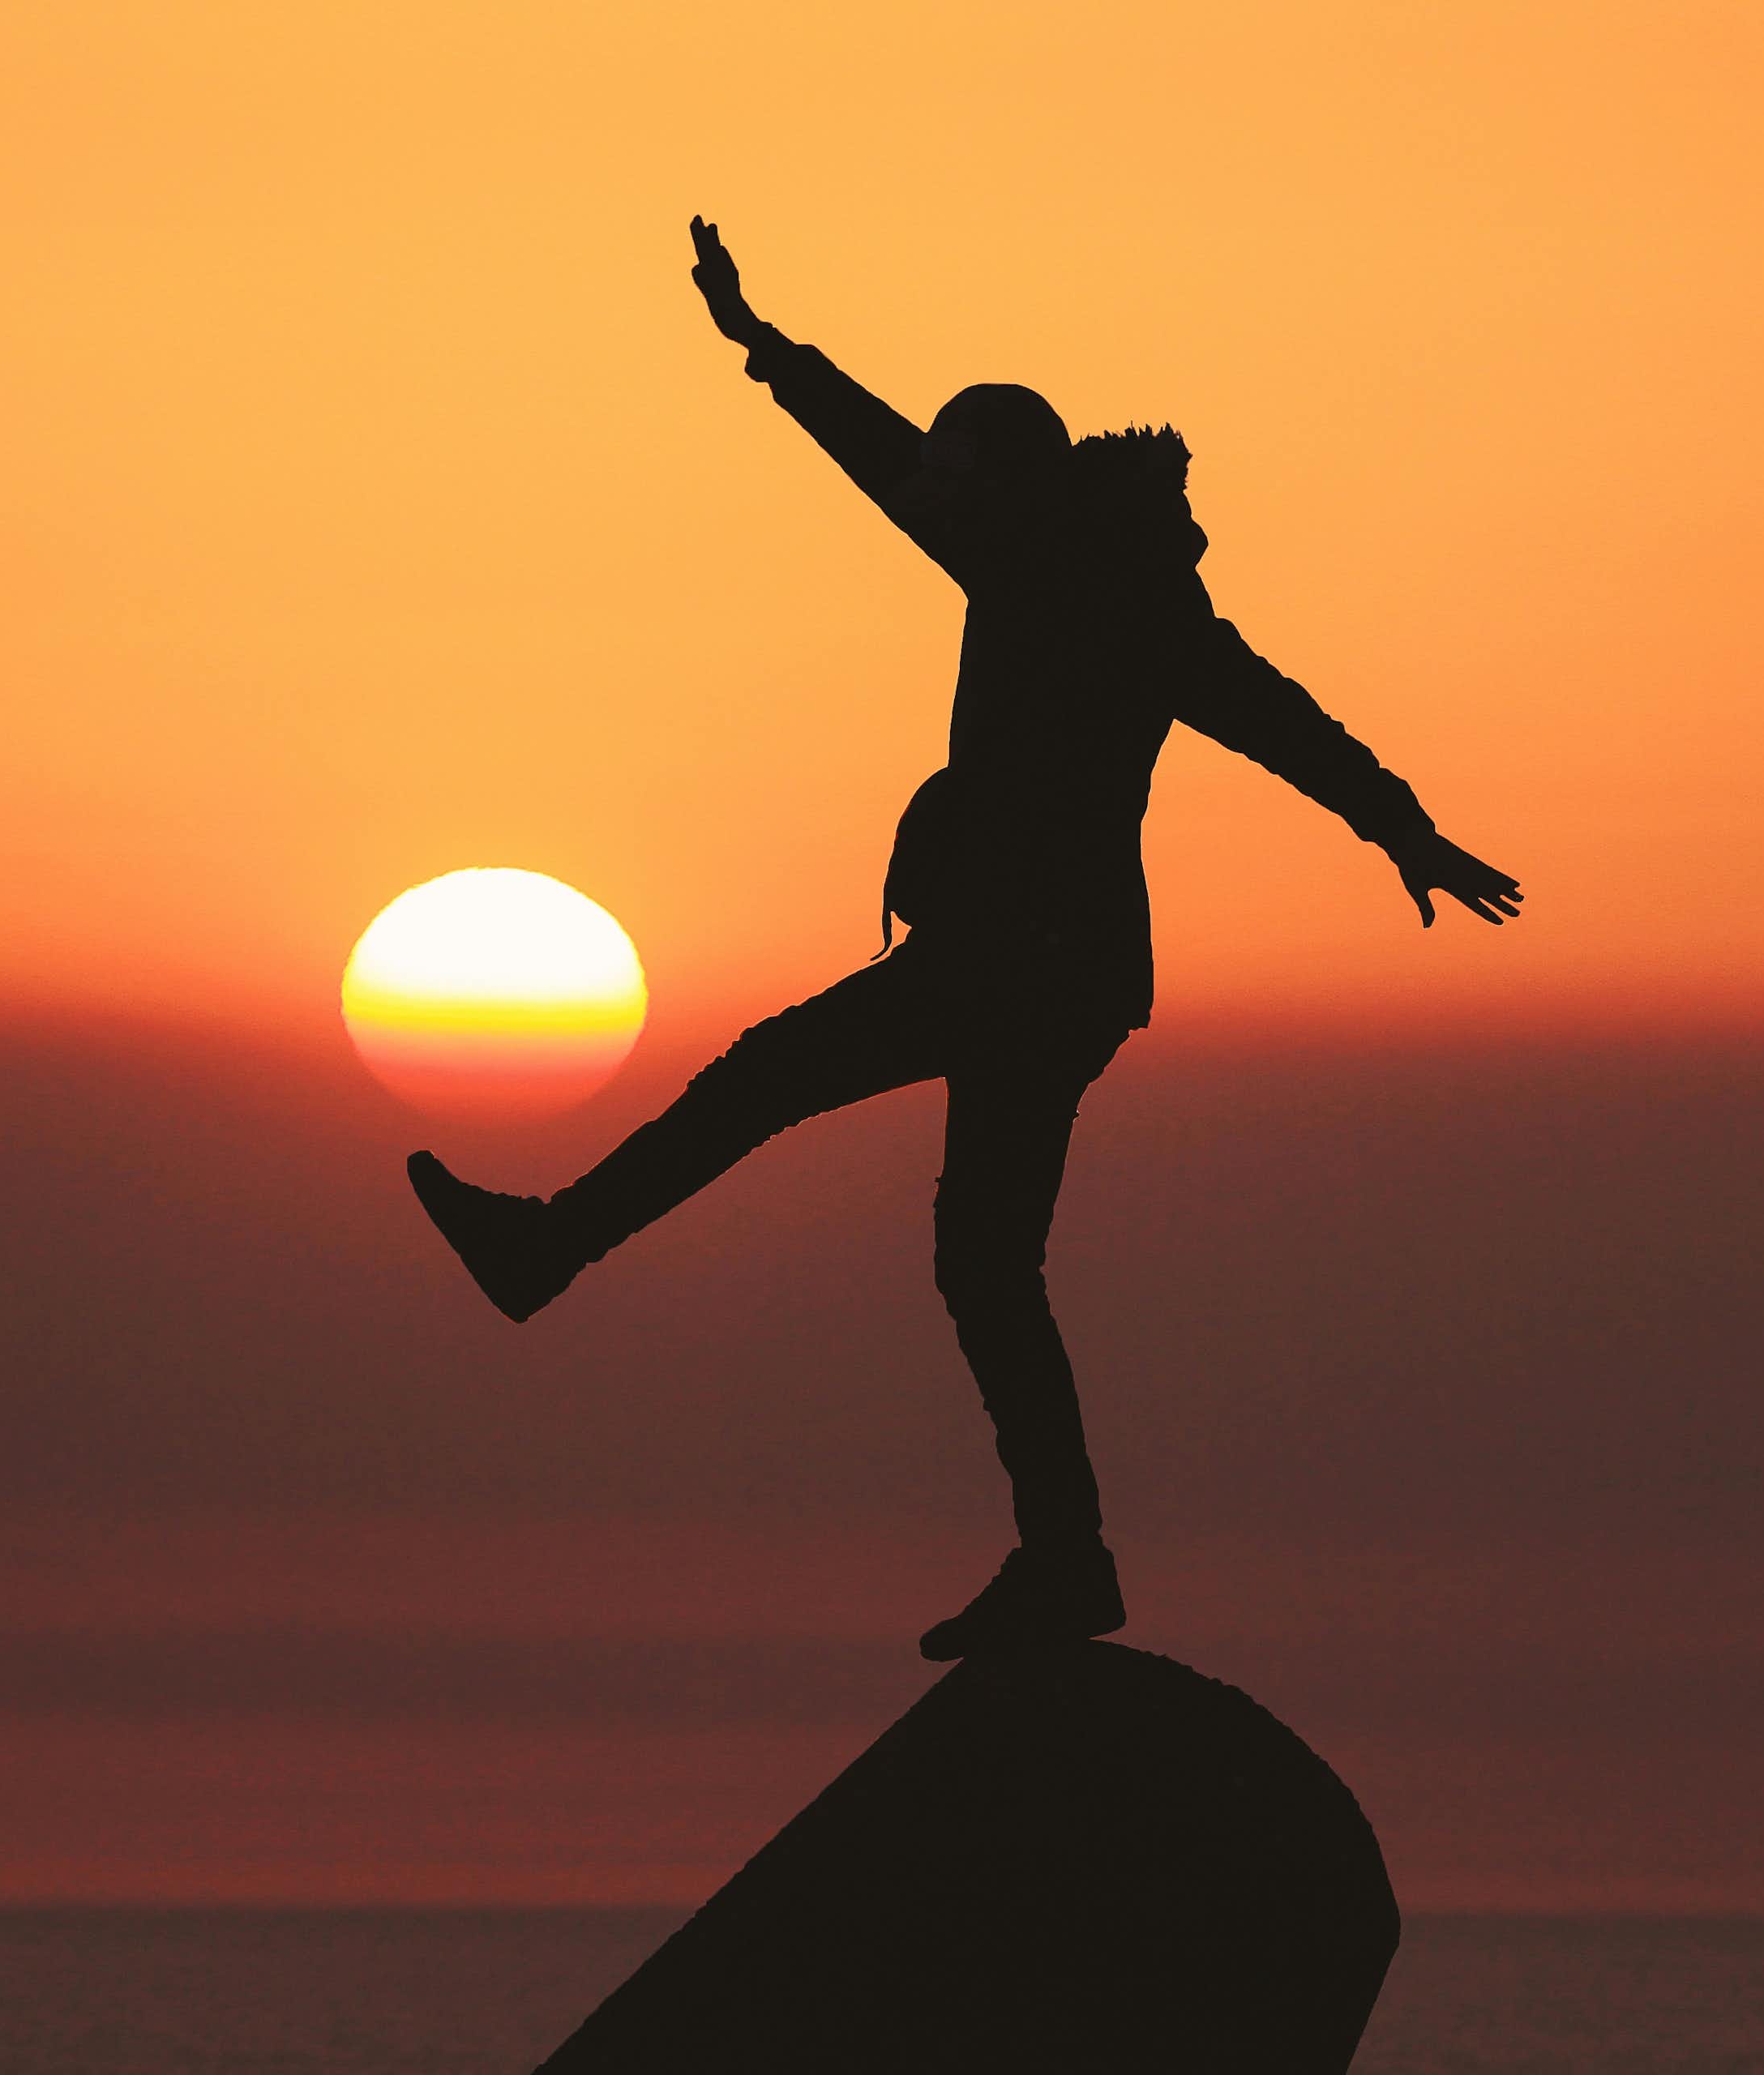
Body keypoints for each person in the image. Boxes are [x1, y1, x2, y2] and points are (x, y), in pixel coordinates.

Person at [406, 217, 1523, 1660]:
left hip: (1020, 962)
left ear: (999, 483)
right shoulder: (1091, 569)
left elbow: (1278, 719)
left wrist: (1404, 828)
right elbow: (904, 470)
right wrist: (766, 348)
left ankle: (549, 1251)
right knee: (983, 1262)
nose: (932, 498)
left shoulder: (1071, 575)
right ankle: (1066, 1560)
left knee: (773, 1085)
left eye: (954, 476)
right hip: (1056, 972)